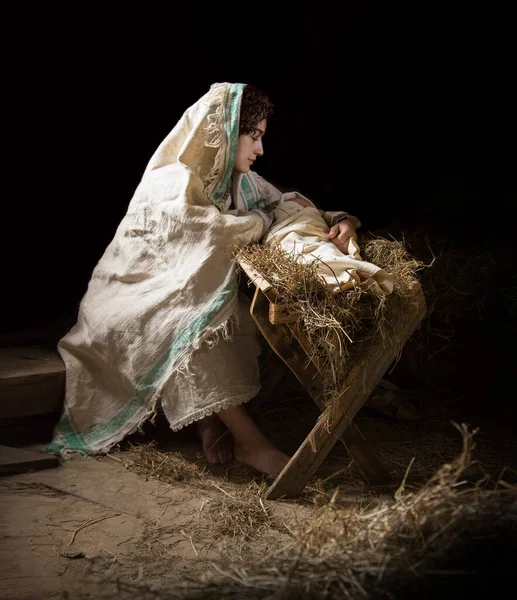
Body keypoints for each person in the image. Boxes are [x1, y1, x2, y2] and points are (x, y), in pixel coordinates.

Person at [46, 82, 361, 476]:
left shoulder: (243, 181)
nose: (260, 149)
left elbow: (290, 207)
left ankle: (211, 420)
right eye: (255, 137)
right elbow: (210, 233)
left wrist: (342, 221)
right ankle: (251, 443)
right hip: (133, 298)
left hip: (186, 294)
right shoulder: (172, 181)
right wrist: (260, 221)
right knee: (190, 327)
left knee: (225, 312)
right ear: (228, 133)